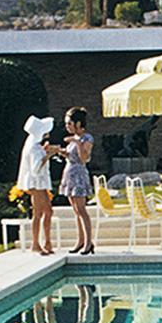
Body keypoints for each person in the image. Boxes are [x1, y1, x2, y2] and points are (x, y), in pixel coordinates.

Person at [55, 107, 96, 255]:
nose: (67, 126)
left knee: (82, 209)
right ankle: (80, 240)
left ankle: (88, 242)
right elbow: (70, 156)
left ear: (78, 123)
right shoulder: (73, 140)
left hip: (79, 174)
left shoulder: (87, 138)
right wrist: (60, 151)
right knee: (76, 211)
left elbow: (84, 158)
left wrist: (77, 142)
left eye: (69, 123)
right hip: (69, 174)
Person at [17, 114, 57, 255]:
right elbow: (35, 168)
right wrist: (48, 155)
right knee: (38, 212)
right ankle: (35, 243)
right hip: (36, 183)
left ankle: (47, 242)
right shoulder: (33, 148)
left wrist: (45, 151)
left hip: (40, 183)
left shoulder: (35, 145)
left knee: (48, 211)